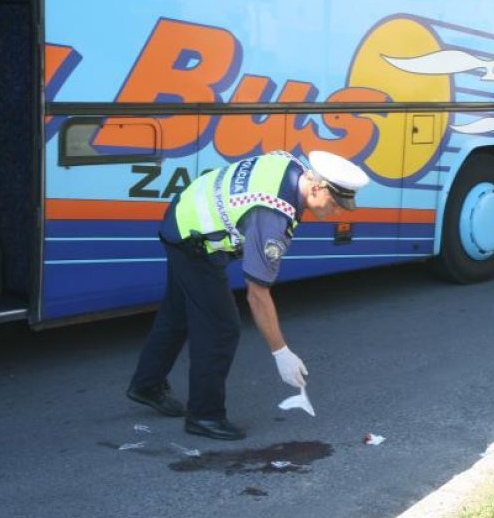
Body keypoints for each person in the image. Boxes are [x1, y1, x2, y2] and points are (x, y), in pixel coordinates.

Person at [126, 150, 370, 440]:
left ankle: (146, 384)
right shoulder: (273, 215)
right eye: (335, 202)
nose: (338, 211)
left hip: (185, 215)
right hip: (193, 242)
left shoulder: (291, 165)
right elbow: (257, 294)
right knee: (222, 328)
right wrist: (281, 352)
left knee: (178, 313)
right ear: (316, 186)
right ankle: (204, 416)